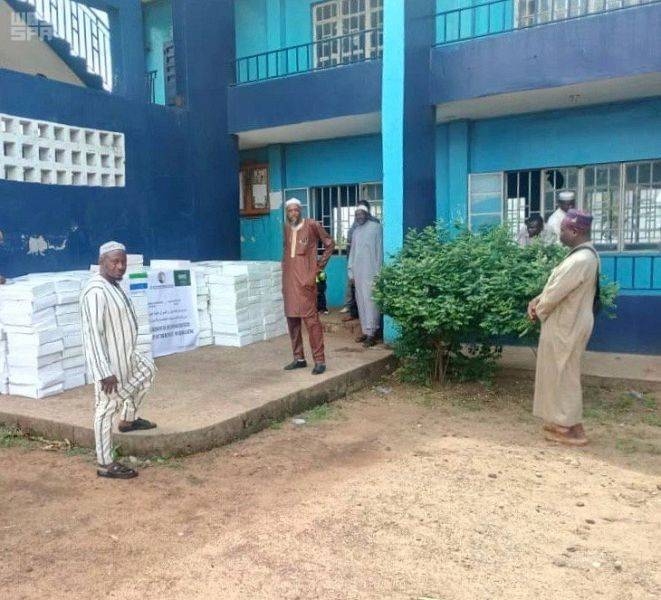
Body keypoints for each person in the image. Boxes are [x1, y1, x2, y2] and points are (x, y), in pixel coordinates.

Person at [80, 241, 157, 479]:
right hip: (110, 366)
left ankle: (128, 419)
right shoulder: (96, 291)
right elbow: (92, 334)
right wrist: (103, 371)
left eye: (123, 261)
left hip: (127, 357)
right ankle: (105, 463)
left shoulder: (112, 285)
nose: (120, 266)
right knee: (105, 408)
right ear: (101, 262)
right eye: (114, 261)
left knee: (147, 371)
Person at [527, 210, 599, 446]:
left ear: (576, 231)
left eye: (564, 230)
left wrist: (539, 308)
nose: (560, 234)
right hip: (569, 321)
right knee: (562, 372)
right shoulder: (583, 256)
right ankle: (566, 422)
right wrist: (539, 298)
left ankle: (568, 429)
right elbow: (558, 287)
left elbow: (556, 293)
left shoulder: (580, 260)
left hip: (567, 324)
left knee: (563, 374)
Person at [282, 198, 335, 375]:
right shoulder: (286, 228)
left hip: (306, 282)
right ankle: (299, 358)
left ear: (301, 210)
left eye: (296, 210)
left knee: (311, 321)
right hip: (289, 281)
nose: (293, 214)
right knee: (292, 320)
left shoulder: (311, 225)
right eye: (289, 211)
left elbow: (329, 244)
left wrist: (318, 267)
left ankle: (319, 361)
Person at [348, 204, 383, 347]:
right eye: (356, 215)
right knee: (361, 301)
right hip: (358, 272)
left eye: (361, 214)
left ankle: (372, 333)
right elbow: (352, 252)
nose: (358, 217)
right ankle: (365, 331)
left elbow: (379, 251)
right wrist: (351, 272)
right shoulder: (356, 231)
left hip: (371, 271)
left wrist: (379, 273)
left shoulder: (376, 228)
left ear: (367, 214)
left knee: (371, 302)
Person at [340, 200, 380, 321]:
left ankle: (372, 327)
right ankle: (354, 314)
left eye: (361, 211)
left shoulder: (374, 224)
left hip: (369, 266)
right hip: (355, 262)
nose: (359, 215)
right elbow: (351, 243)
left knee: (370, 296)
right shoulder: (356, 224)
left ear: (367, 211)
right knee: (355, 290)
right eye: (357, 212)